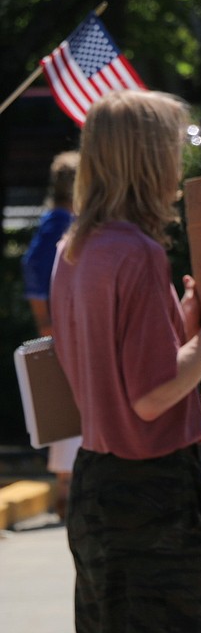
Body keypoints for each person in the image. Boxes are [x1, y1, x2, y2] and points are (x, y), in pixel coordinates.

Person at [49, 89, 201, 633]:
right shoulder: (135, 251)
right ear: (148, 157)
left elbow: (118, 374)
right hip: (153, 493)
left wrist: (182, 328)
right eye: (175, 145)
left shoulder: (79, 246)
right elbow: (152, 395)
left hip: (99, 484)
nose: (181, 159)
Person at [21, 149, 81, 518]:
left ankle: (67, 493)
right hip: (65, 335)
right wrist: (45, 320)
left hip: (64, 331)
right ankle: (67, 495)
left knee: (67, 419)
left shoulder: (57, 220)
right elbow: (35, 271)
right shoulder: (61, 223)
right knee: (69, 417)